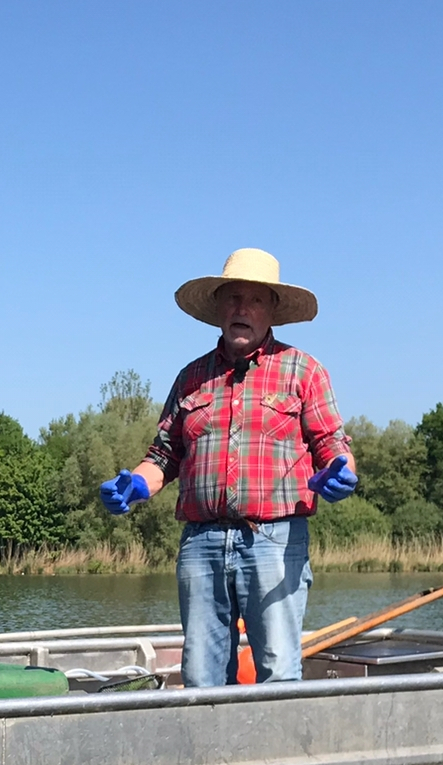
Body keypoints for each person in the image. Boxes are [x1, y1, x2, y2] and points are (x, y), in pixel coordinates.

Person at [99, 248, 358, 687]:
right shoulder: (191, 378)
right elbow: (163, 456)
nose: (242, 308)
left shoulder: (304, 371)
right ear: (219, 308)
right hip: (200, 544)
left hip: (275, 542)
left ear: (272, 310)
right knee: (200, 676)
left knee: (278, 672)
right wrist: (136, 484)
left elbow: (332, 444)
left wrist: (341, 470)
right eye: (233, 298)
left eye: (255, 299)